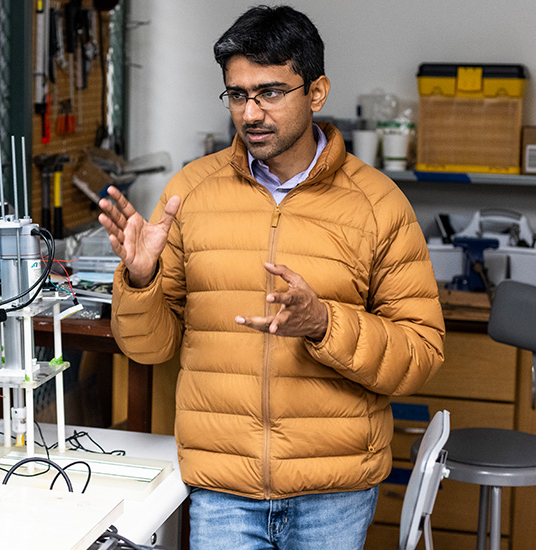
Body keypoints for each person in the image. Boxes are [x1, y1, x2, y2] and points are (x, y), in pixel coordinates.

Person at [98, 5, 445, 549]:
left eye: (270, 92)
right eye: (237, 95)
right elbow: (148, 350)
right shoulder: (190, 192)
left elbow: (420, 354)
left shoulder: (378, 204)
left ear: (317, 92)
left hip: (334, 489)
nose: (251, 113)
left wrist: (323, 324)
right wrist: (140, 281)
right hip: (222, 489)